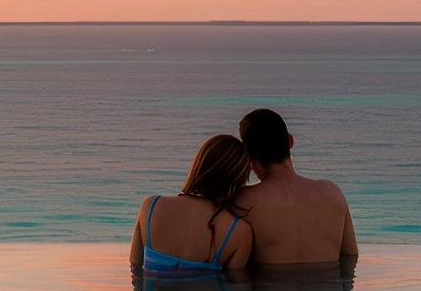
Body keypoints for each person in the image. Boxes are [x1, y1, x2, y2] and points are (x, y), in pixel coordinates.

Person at [233, 109, 358, 266]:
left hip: (271, 283)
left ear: (246, 154)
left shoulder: (242, 201)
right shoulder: (333, 193)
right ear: (290, 141)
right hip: (327, 283)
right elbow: (351, 258)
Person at [129, 134, 255, 276]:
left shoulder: (151, 207)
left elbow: (135, 269)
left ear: (199, 165)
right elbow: (237, 287)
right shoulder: (238, 232)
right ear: (238, 180)